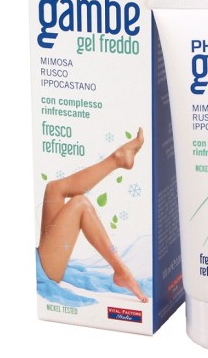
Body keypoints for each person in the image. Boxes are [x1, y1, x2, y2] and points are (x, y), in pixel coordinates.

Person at [37, 128, 148, 303]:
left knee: (54, 188)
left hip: (38, 258)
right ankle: (121, 271)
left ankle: (118, 158)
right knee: (80, 204)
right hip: (42, 270)